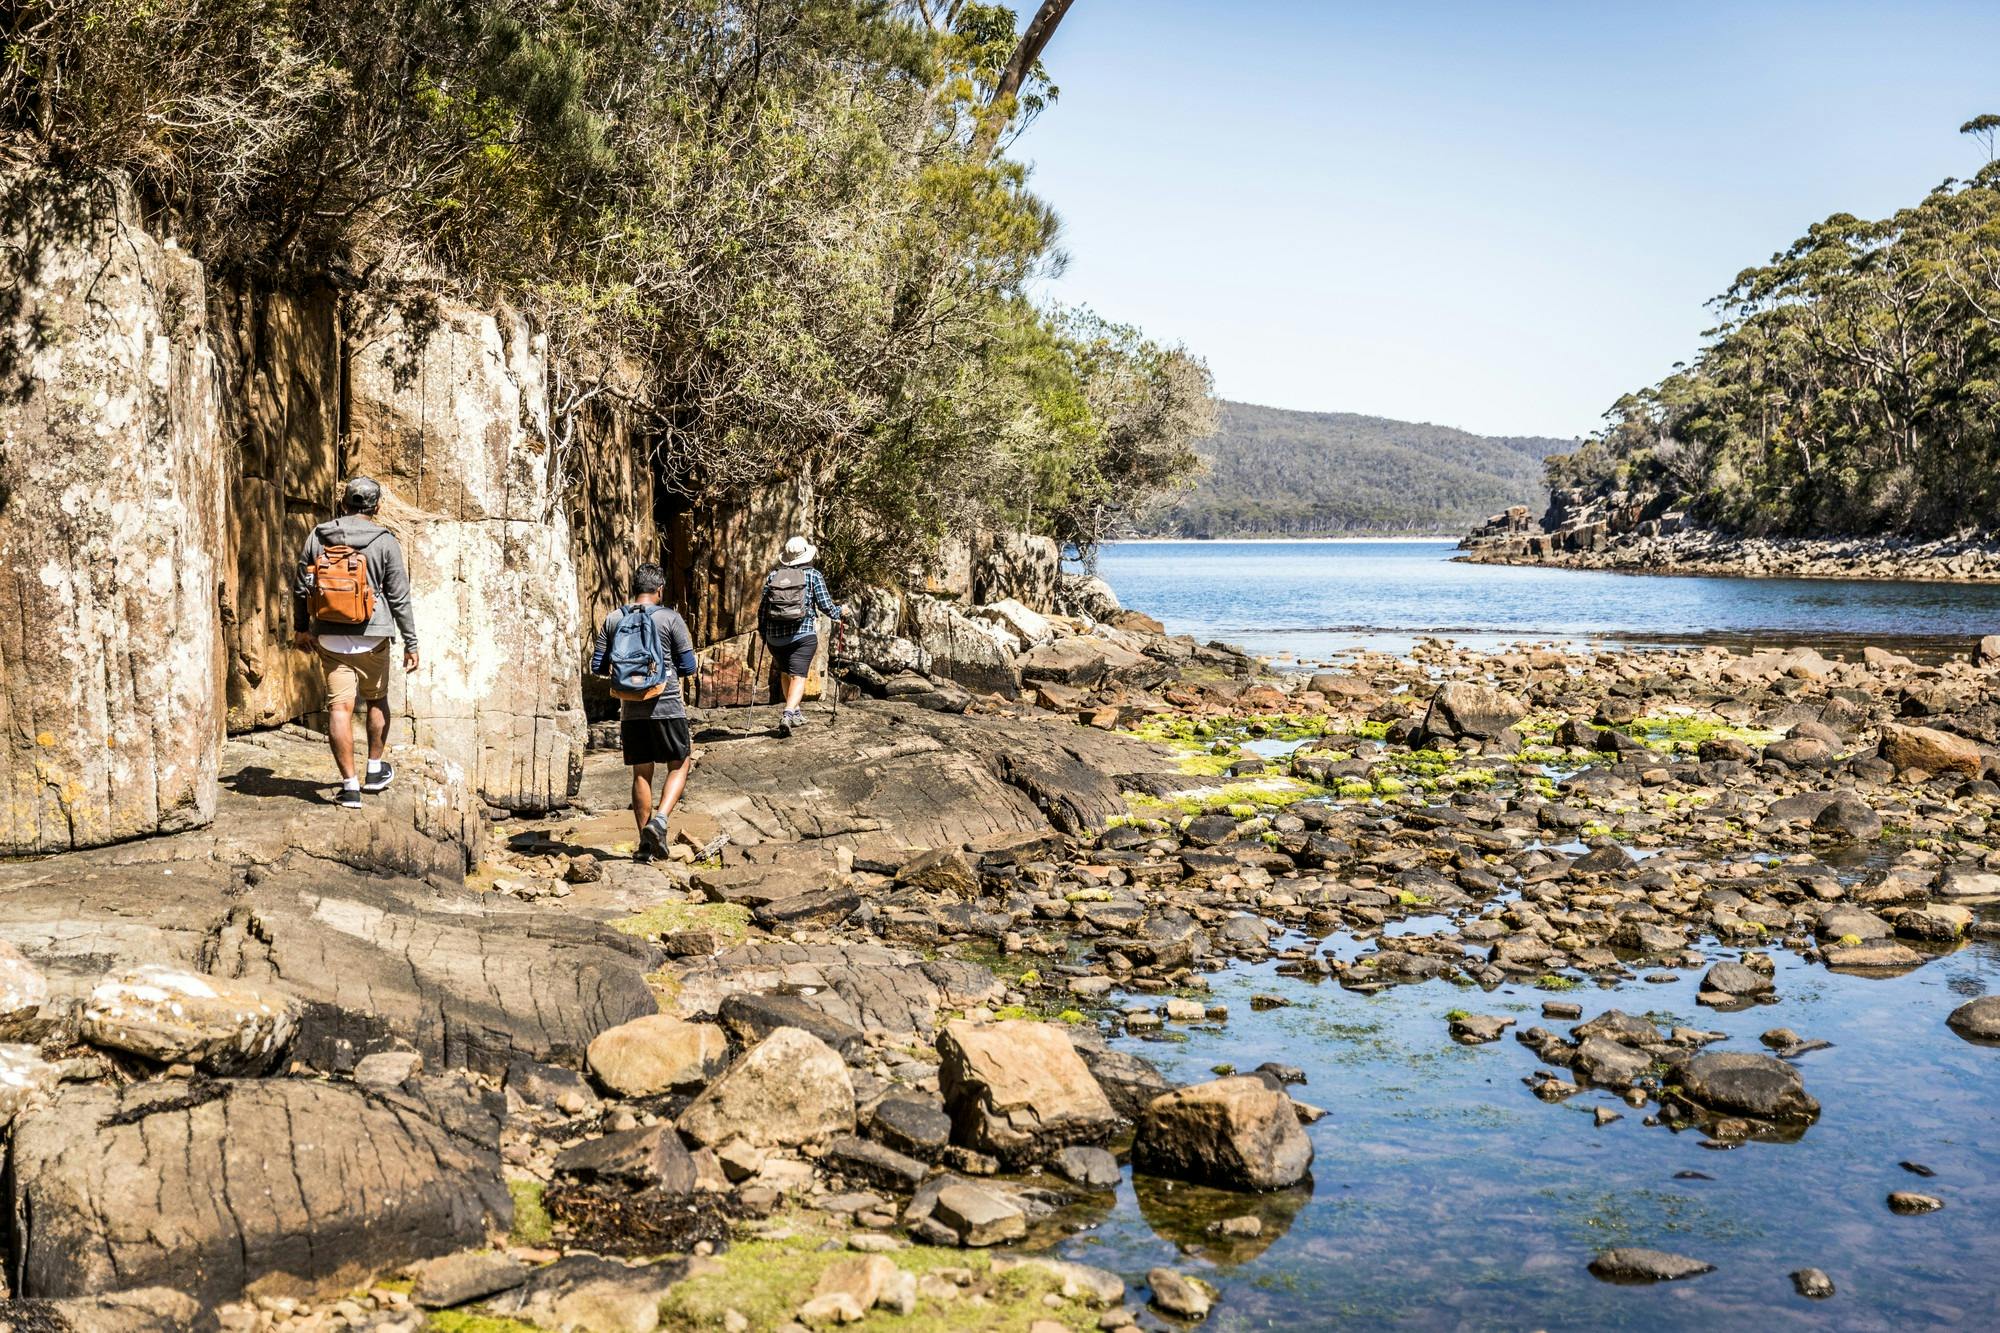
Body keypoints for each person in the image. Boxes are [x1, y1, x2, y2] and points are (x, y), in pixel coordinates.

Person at [293, 477, 419, 809]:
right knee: (376, 702)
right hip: (373, 636)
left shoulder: (318, 536)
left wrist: (301, 629)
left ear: (344, 503)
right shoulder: (385, 540)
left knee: (339, 709)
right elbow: (400, 598)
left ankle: (350, 788)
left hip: (330, 636)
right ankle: (374, 771)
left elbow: (302, 587)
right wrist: (411, 642)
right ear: (377, 507)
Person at [590, 562, 699, 860]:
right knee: (680, 762)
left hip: (631, 709)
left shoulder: (614, 618)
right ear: (659, 589)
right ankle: (661, 821)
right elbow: (688, 667)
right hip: (667, 703)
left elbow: (597, 666)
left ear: (634, 589)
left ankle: (644, 845)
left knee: (642, 772)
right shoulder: (670, 618)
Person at [759, 535, 844, 737]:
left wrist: (764, 634)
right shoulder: (813, 575)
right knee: (799, 675)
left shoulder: (774, 577)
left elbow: (762, 610)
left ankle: (796, 712)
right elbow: (827, 607)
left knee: (786, 672)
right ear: (806, 555)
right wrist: (842, 612)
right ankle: (788, 714)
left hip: (775, 638)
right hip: (802, 635)